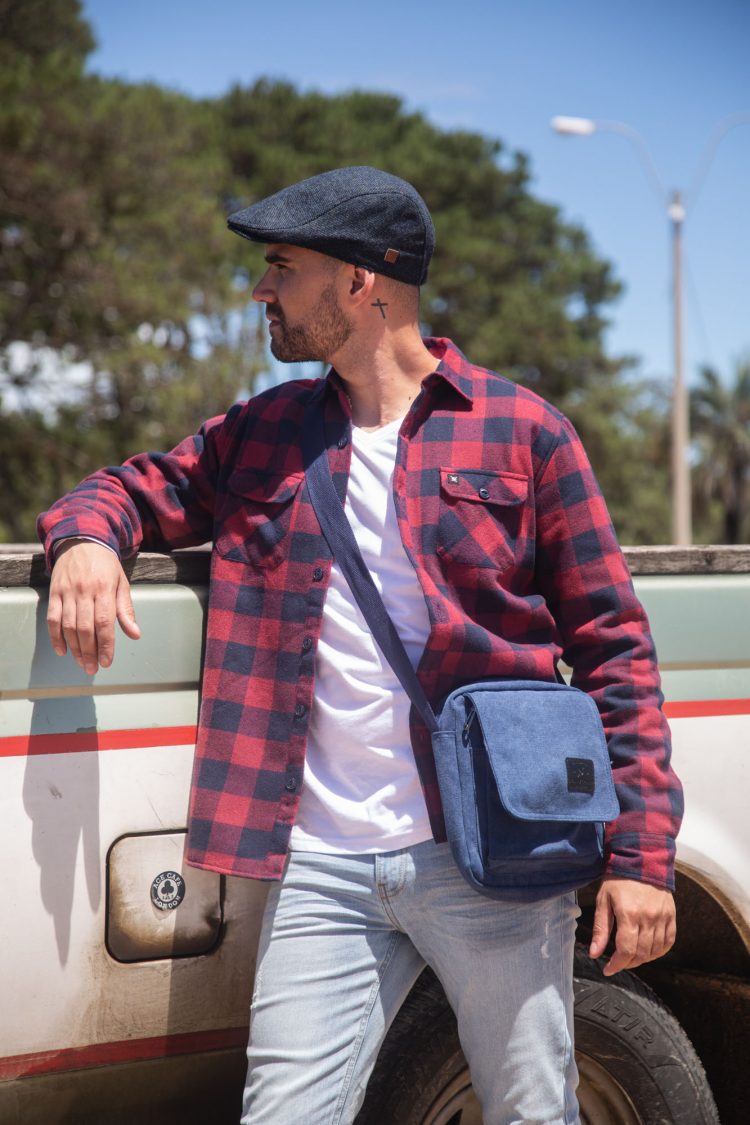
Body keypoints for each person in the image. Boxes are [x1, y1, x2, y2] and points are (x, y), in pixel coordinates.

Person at [38, 166, 683, 1125]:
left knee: (531, 1112)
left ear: (359, 281)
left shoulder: (524, 433)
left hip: (494, 853)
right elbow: (126, 490)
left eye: (281, 266)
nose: (260, 289)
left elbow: (616, 650)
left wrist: (641, 857)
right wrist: (87, 542)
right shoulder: (262, 433)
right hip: (321, 865)